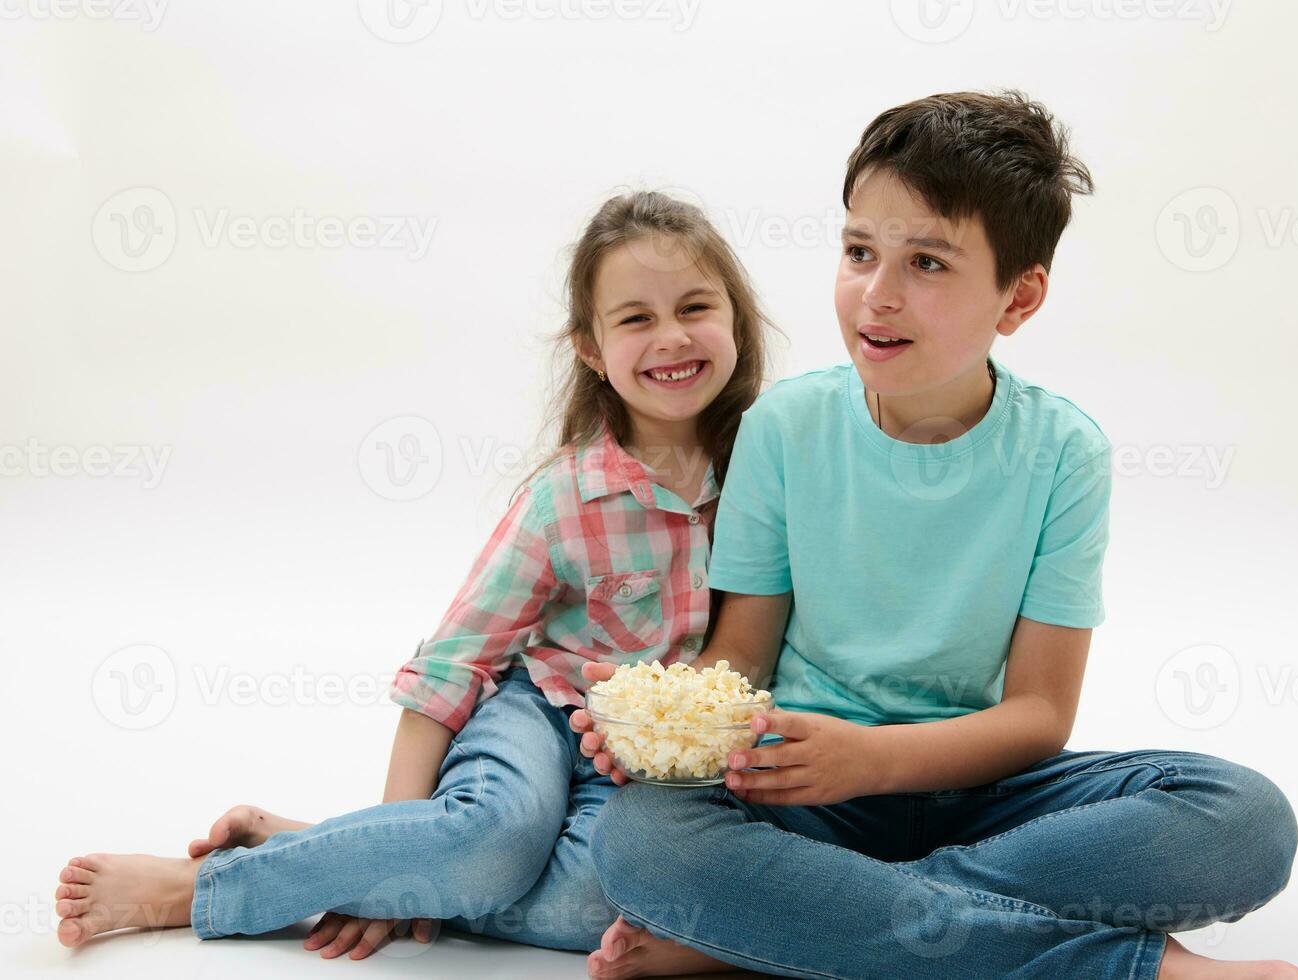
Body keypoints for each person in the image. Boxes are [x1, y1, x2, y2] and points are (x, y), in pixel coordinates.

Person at [572, 91, 1298, 980]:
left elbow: (1038, 716)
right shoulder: (783, 428)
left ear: (1019, 295)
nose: (876, 297)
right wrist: (647, 713)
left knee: (1245, 819)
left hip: (986, 791)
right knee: (645, 841)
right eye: (858, 252)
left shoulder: (1062, 453)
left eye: (926, 262)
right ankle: (1135, 969)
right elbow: (741, 657)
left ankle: (792, 924)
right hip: (803, 782)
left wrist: (873, 760)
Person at [53, 189, 776, 960]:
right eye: (635, 319)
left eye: (694, 308)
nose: (670, 337)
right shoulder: (563, 497)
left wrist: (403, 873)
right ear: (592, 350)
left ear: (735, 318)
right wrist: (401, 843)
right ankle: (203, 888)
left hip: (637, 756)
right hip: (537, 709)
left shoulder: (769, 472)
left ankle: (335, 852)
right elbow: (453, 662)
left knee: (589, 903)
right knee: (492, 838)